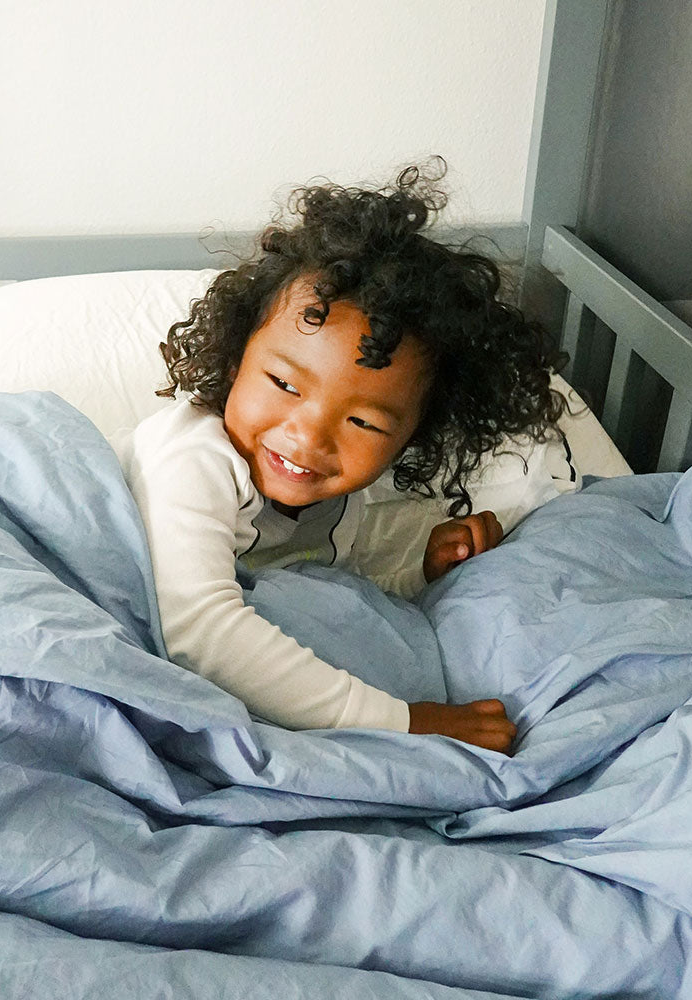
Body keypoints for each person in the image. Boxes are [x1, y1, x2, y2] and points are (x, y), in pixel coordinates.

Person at [115, 163, 572, 753]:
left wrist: (422, 576)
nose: (308, 437)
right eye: (283, 384)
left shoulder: (337, 498)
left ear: (410, 439)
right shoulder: (196, 457)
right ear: (234, 363)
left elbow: (323, 593)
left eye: (362, 422)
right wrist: (406, 722)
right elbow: (199, 629)